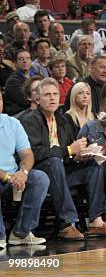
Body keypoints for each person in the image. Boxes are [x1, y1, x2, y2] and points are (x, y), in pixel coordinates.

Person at [22, 77, 106, 240]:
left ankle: (96, 220)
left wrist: (80, 155)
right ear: (38, 99)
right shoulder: (31, 120)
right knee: (54, 163)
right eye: (47, 94)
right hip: (41, 174)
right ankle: (67, 223)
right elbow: (36, 153)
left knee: (93, 166)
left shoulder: (61, 121)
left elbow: (68, 154)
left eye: (55, 94)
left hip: (63, 172)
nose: (53, 97)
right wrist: (69, 150)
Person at [0, 91, 49, 248]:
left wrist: (23, 173)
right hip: (5, 178)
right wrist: (6, 176)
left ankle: (21, 233)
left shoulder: (12, 123)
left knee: (40, 178)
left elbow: (27, 154)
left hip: (13, 178)